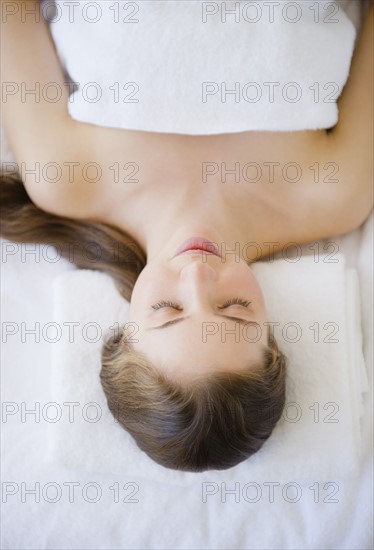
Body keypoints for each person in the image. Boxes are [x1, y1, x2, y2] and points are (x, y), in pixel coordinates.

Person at [1, 0, 372, 471]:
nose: (198, 276)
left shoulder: (66, 180)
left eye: (167, 309)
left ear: (123, 331)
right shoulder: (333, 195)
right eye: (235, 309)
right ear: (272, 335)